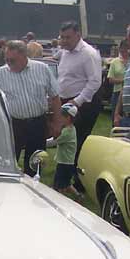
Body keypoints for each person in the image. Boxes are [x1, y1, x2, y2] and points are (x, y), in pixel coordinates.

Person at [0, 40, 61, 175]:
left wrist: (57, 123)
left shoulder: (42, 69)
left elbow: (55, 96)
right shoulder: (1, 74)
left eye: (12, 60)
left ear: (24, 56)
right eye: (7, 60)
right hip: (14, 125)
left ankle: (33, 183)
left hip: (38, 123)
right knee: (8, 162)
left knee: (35, 162)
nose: (9, 63)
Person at [56, 21, 102, 192]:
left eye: (67, 37)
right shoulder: (64, 52)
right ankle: (65, 178)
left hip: (84, 104)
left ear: (78, 35)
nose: (64, 41)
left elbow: (95, 82)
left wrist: (77, 101)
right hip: (67, 102)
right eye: (62, 37)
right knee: (67, 141)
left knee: (77, 143)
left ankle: (79, 181)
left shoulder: (88, 54)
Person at [44, 103, 80, 197]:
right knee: (66, 184)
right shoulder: (72, 129)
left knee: (58, 186)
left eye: (61, 117)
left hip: (64, 164)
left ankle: (59, 199)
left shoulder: (66, 132)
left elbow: (54, 142)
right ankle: (78, 196)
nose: (59, 119)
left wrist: (41, 142)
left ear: (68, 118)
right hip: (68, 163)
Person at [107, 40, 129, 118]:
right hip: (117, 92)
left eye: (126, 49)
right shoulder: (114, 62)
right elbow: (110, 79)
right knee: (115, 116)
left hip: (129, 93)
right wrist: (123, 81)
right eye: (122, 49)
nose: (124, 52)